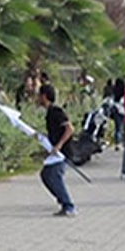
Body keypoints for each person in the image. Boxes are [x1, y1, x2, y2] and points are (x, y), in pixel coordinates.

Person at [38, 84, 76, 217]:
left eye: (39, 95)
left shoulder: (56, 111)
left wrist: (59, 145)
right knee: (46, 175)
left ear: (44, 96)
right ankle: (62, 199)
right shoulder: (49, 113)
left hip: (63, 152)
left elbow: (70, 129)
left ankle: (69, 205)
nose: (38, 98)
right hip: (56, 151)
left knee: (54, 175)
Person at [111, 78, 125, 150]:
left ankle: (117, 143)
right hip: (123, 111)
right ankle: (123, 142)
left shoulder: (114, 91)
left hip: (116, 110)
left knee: (117, 128)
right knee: (123, 127)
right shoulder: (124, 91)